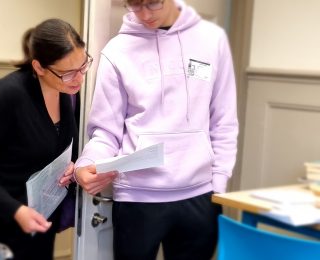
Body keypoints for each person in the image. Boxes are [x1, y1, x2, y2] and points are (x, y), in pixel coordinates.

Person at [74, 0, 238, 259]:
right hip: (137, 199)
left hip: (200, 196)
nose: (145, 14)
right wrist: (86, 163)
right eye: (135, 5)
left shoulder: (211, 40)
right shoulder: (117, 51)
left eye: (153, 3)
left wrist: (218, 183)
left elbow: (224, 119)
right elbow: (106, 132)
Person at [0, 18, 92, 260]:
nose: (79, 79)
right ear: (39, 67)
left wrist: (70, 166)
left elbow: (54, 147)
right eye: (68, 73)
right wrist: (15, 210)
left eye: (83, 66)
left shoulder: (67, 94)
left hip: (36, 218)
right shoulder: (6, 96)